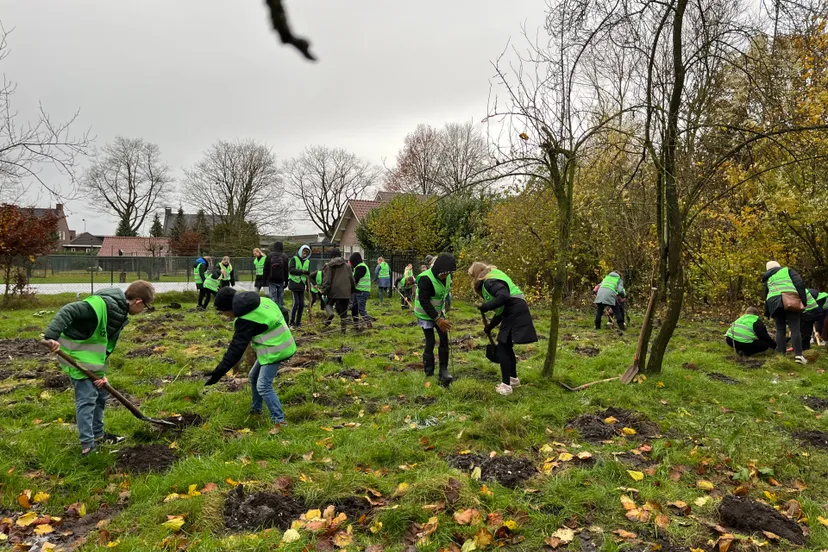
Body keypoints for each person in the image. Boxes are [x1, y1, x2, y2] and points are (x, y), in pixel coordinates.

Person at [43, 281, 156, 455]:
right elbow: (69, 310)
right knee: (87, 399)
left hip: (90, 357)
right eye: (145, 307)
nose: (142, 311)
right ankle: (88, 446)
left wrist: (100, 374)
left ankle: (98, 435)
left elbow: (104, 344)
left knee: (101, 394)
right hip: (75, 353)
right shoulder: (102, 305)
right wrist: (51, 337)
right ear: (138, 302)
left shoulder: (119, 313)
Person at [204, 288, 295, 430]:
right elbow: (283, 311)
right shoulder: (262, 300)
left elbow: (235, 350)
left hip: (276, 351)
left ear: (230, 307)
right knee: (253, 376)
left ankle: (280, 422)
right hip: (274, 347)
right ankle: (256, 411)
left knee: (263, 386)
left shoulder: (246, 321)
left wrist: (218, 372)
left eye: (224, 311)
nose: (224, 315)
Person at [469, 262, 538, 395]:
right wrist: (490, 326)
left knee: (502, 348)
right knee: (506, 346)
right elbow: (501, 310)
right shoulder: (494, 277)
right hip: (515, 308)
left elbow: (504, 297)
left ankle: (506, 386)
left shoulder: (489, 281)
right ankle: (513, 380)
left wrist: (486, 306)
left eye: (473, 276)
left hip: (514, 309)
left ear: (477, 275)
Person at [414, 253, 456, 386]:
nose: (446, 276)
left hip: (439, 312)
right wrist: (437, 320)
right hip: (425, 314)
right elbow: (424, 301)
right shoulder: (425, 279)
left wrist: (444, 312)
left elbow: (444, 294)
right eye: (444, 273)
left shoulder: (448, 276)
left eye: (448, 273)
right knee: (430, 341)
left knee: (444, 339)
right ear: (438, 270)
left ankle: (443, 370)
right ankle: (429, 371)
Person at [763, 260, 809, 364]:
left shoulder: (768, 278)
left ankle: (781, 355)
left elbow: (766, 295)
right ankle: (798, 355)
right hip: (790, 300)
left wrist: (767, 311)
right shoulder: (787, 270)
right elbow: (799, 284)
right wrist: (803, 301)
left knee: (780, 330)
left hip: (774, 303)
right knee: (795, 328)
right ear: (778, 266)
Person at [320, 248, 355, 334]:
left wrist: (323, 291)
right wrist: (352, 289)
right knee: (344, 312)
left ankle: (330, 314)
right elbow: (352, 279)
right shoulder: (347, 266)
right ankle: (343, 331)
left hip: (334, 291)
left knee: (328, 304)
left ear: (331, 256)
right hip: (345, 291)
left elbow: (327, 280)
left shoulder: (329, 265)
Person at [287, 245, 311, 328]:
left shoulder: (307, 261)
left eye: (307, 253)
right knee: (296, 303)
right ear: (301, 251)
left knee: (301, 304)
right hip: (294, 283)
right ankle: (291, 322)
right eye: (304, 252)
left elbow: (308, 274)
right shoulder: (294, 259)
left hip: (301, 284)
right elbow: (291, 270)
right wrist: (302, 271)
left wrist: (308, 287)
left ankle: (298, 322)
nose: (305, 254)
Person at [350, 252, 373, 330]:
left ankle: (368, 322)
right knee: (354, 308)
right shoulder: (358, 267)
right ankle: (356, 325)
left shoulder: (361, 267)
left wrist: (350, 289)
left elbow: (355, 280)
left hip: (363, 292)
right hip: (358, 291)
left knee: (361, 309)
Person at [268, 242, 290, 308]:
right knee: (280, 297)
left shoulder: (269, 256)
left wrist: (265, 280)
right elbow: (286, 270)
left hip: (271, 279)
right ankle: (280, 311)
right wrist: (286, 281)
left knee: (272, 297)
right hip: (281, 279)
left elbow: (266, 268)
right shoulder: (285, 256)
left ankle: (273, 311)